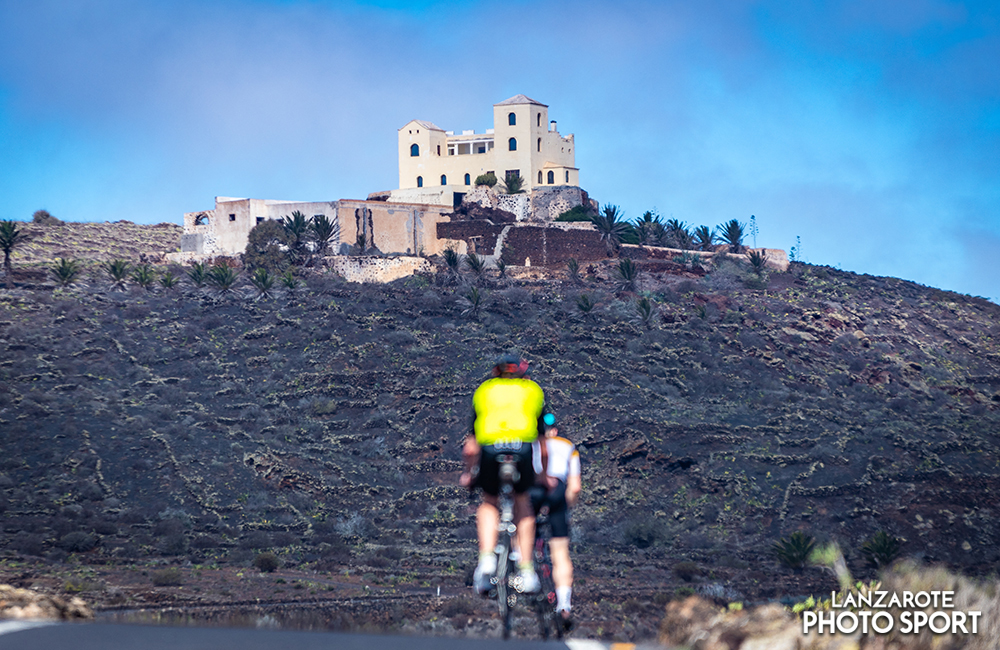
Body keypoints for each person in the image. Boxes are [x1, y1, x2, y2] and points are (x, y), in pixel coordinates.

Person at [460, 354, 551, 595]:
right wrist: (542, 477)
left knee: (489, 501)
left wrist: (469, 475)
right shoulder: (533, 390)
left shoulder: (484, 391)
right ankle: (527, 570)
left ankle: (487, 559)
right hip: (521, 450)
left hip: (490, 450)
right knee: (523, 502)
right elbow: (542, 445)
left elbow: (470, 446)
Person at [529, 413, 581, 628]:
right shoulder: (568, 446)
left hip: (535, 489)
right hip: (558, 490)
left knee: (522, 528)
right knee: (560, 551)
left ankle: (520, 567)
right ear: (556, 430)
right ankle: (564, 605)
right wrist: (565, 506)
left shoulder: (531, 445)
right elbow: (575, 487)